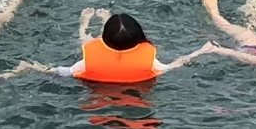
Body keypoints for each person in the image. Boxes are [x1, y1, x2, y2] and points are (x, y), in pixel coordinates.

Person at [50, 10, 208, 83]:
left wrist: (39, 68)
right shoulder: (151, 63)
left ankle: (84, 23)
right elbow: (174, 65)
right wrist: (200, 52)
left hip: (100, 97)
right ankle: (105, 21)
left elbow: (64, 72)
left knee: (87, 42)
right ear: (138, 37)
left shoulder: (86, 63)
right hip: (135, 93)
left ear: (104, 40)